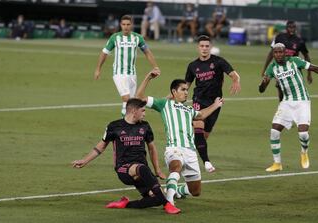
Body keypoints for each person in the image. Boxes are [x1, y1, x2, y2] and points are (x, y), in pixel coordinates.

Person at [71, 98, 180, 214]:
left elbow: (152, 148)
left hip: (143, 170)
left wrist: (157, 170)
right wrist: (85, 160)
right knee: (142, 169)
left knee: (155, 199)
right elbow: (101, 147)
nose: (145, 114)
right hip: (124, 168)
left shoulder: (145, 126)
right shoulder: (114, 126)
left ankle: (125, 204)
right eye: (142, 111)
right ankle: (167, 204)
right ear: (134, 111)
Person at [136, 71, 224, 205]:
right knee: (175, 167)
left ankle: (174, 190)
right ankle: (169, 202)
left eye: (187, 90)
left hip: (190, 152)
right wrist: (148, 77)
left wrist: (215, 105)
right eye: (183, 90)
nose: (186, 92)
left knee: (195, 191)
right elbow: (139, 97)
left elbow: (200, 115)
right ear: (174, 91)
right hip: (174, 148)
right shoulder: (164, 104)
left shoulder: (189, 110)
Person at [259, 43, 318, 172]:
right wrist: (263, 84)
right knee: (274, 131)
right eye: (275, 52)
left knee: (303, 133)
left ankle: (304, 152)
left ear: (285, 53)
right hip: (286, 103)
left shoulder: (295, 61)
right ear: (273, 54)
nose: (278, 54)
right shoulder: (272, 68)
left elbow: (315, 68)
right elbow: (261, 90)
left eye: (280, 52)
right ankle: (277, 164)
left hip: (302, 101)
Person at [185, 35, 241, 173]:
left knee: (203, 136)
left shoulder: (219, 62)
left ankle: (188, 153)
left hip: (215, 102)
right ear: (198, 47)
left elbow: (234, 74)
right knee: (198, 127)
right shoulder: (193, 66)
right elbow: (186, 85)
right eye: (202, 46)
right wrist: (179, 97)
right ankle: (207, 163)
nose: (204, 48)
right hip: (198, 101)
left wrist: (235, 81)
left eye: (206, 46)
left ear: (210, 47)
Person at [94, 15, 160, 116]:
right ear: (120, 25)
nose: (126, 27)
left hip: (132, 74)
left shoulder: (137, 38)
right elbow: (104, 53)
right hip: (119, 73)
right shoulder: (115, 38)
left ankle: (125, 122)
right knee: (126, 98)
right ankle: (125, 123)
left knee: (131, 102)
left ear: (132, 25)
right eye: (124, 24)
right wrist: (98, 69)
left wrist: (155, 67)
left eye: (128, 24)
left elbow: (147, 52)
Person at [261, 20, 312, 101]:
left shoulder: (299, 41)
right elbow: (271, 53)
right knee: (280, 87)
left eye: (294, 27)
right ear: (286, 28)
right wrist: (265, 68)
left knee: (296, 90)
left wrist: (309, 74)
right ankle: (282, 105)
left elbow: (306, 56)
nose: (292, 29)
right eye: (290, 27)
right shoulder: (279, 37)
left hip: (294, 69)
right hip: (280, 67)